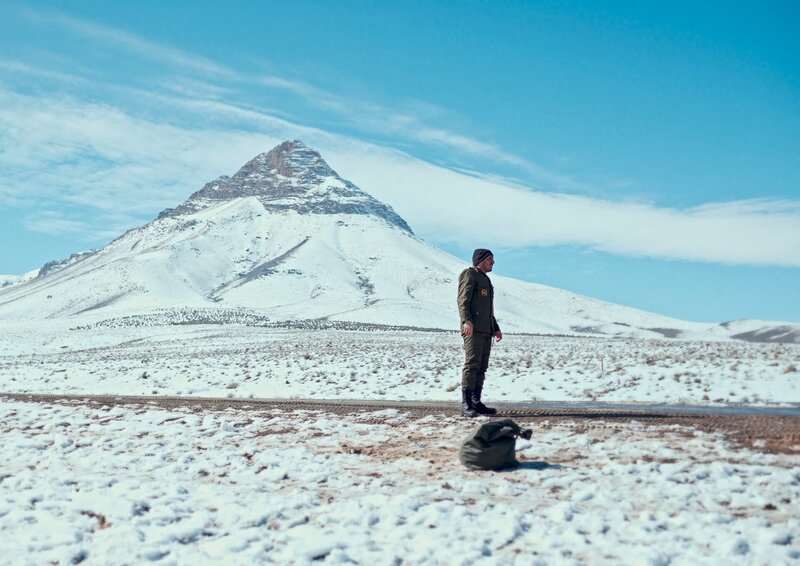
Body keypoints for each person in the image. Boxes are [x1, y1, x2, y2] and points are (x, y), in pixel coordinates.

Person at [457, 248, 503, 417]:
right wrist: (466, 320)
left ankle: (476, 402)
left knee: (481, 367)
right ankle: (466, 404)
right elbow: (463, 300)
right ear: (482, 260)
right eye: (490, 259)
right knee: (472, 364)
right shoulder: (469, 274)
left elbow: (487, 309)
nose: (493, 262)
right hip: (473, 329)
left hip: (486, 330)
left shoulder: (486, 279)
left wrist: (495, 327)